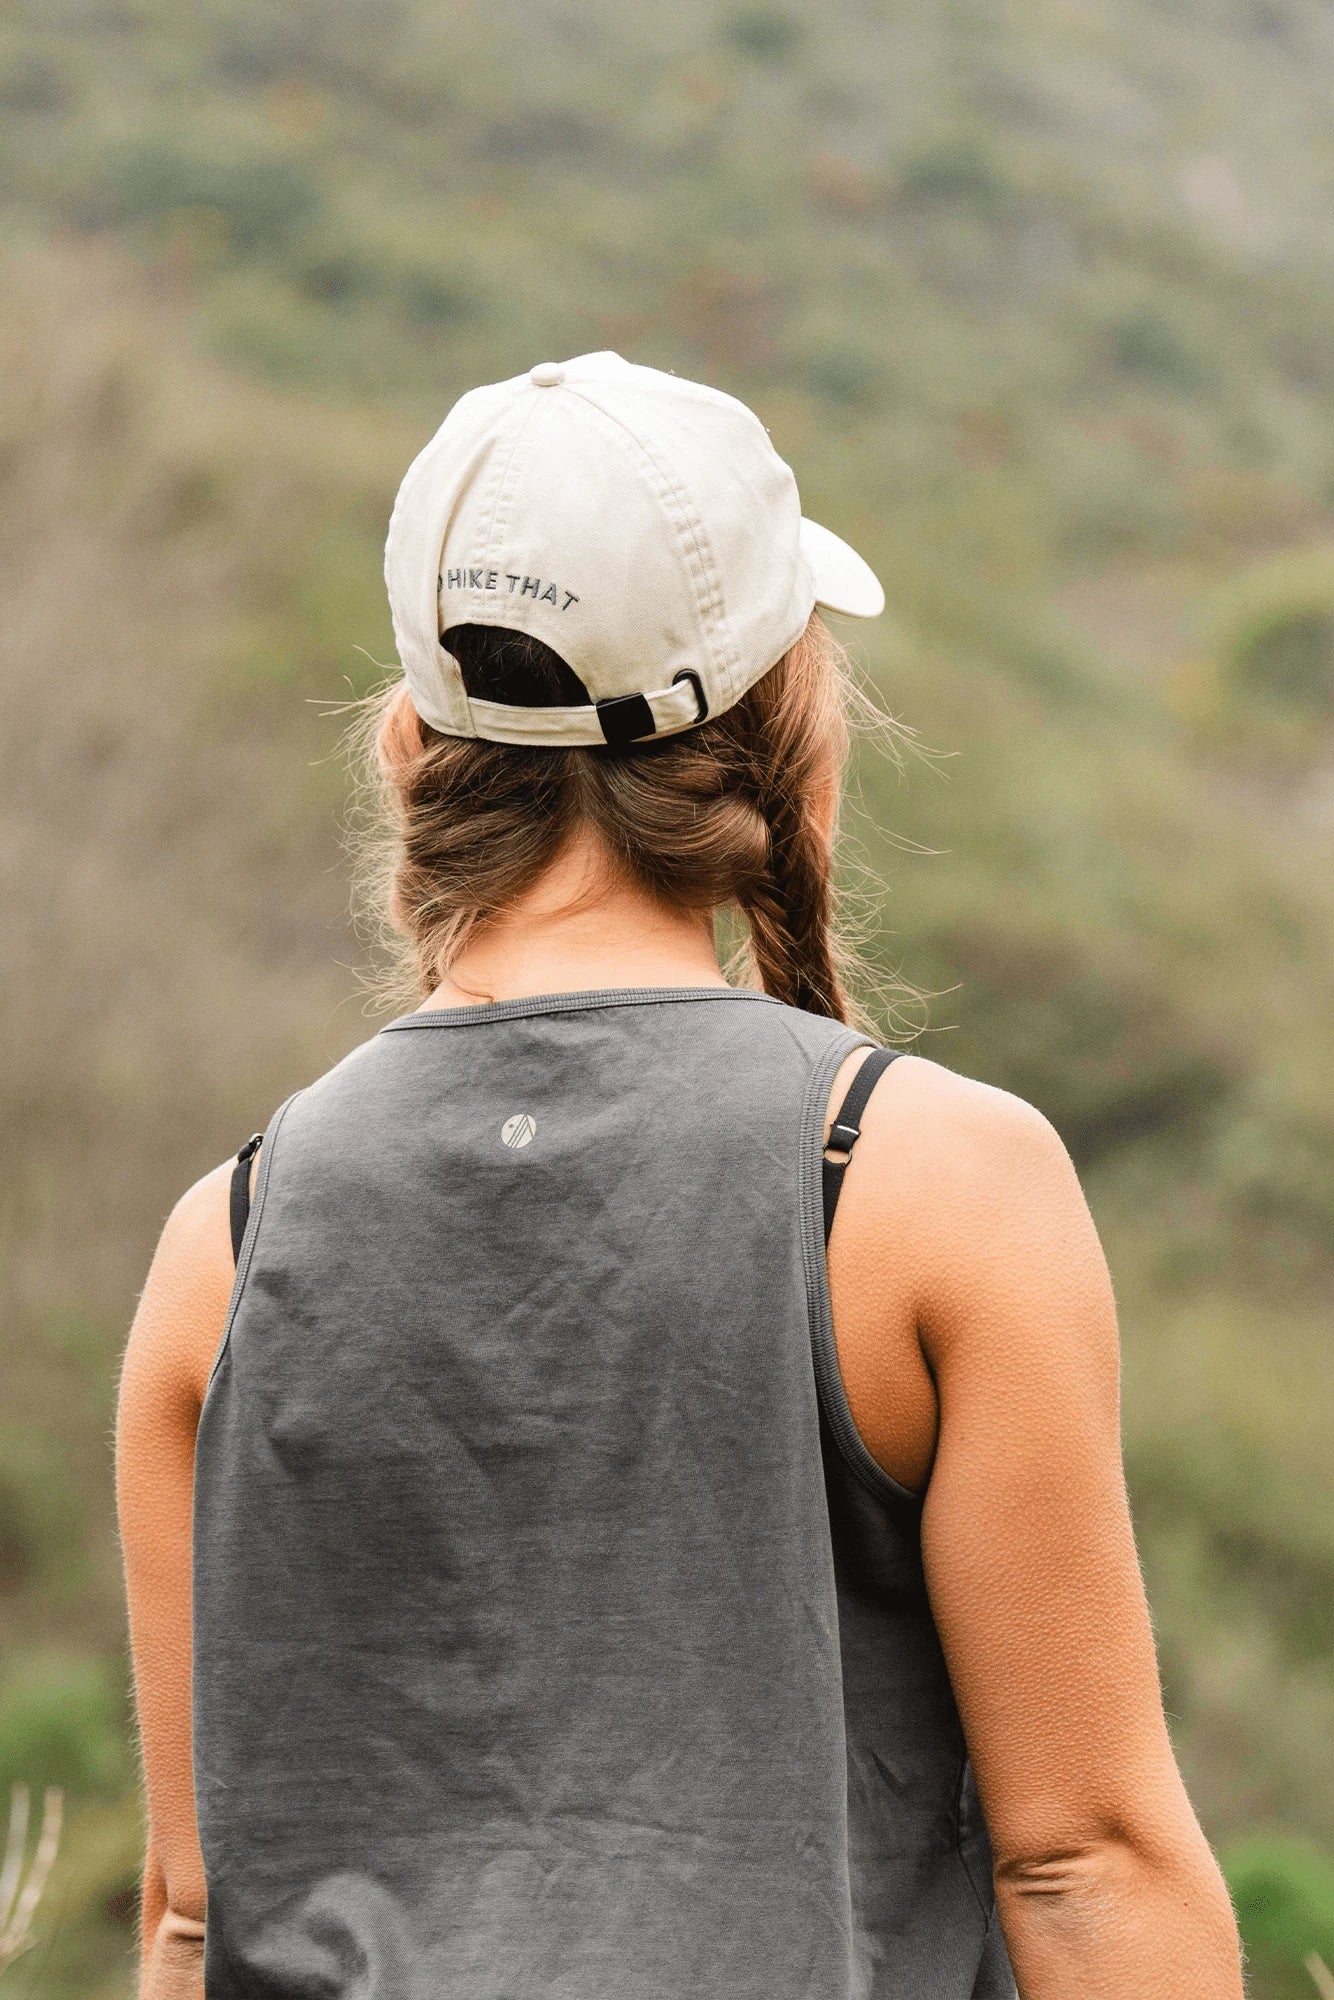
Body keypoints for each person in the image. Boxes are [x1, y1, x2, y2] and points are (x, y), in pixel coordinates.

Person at [116, 351, 1245, 2000]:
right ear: (788, 714)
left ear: (411, 741)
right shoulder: (930, 1182)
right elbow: (1083, 1863)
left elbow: (195, 1917)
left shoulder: (226, 1238)